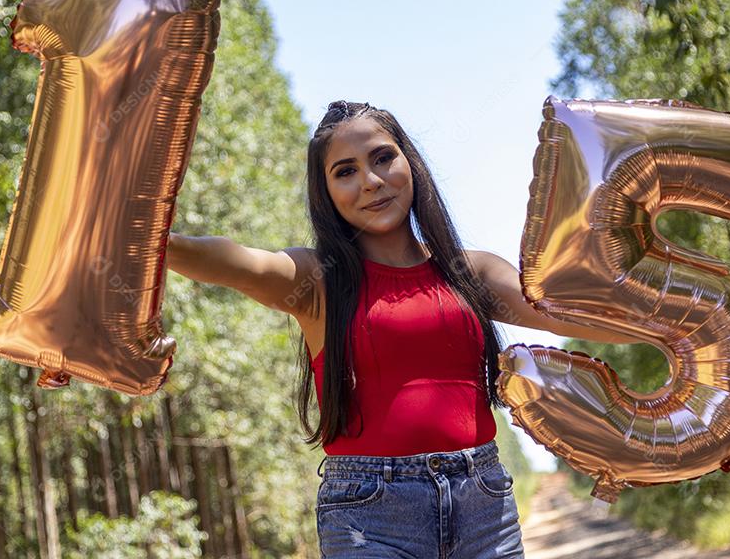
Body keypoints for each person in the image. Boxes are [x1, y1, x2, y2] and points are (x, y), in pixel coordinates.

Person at [166, 100, 626, 557]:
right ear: (325, 192)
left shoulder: (472, 273)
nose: (370, 181)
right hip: (370, 517)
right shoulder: (317, 281)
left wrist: (682, 335)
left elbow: (574, 311)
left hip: (483, 504)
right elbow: (237, 260)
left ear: (410, 161)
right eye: (345, 171)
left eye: (383, 157)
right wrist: (153, 241)